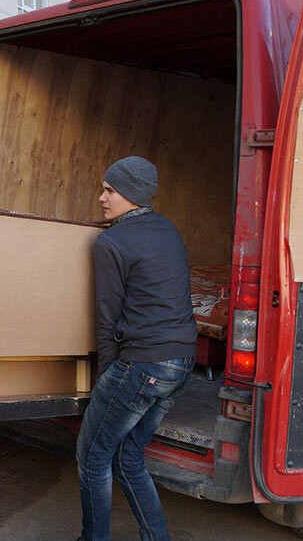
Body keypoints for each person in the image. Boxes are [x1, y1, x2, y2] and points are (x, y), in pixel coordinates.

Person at [77, 156, 197, 541]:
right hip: (181, 363)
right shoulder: (168, 229)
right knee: (128, 457)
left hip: (142, 365)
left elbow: (108, 322)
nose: (101, 197)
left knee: (92, 456)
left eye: (109, 190)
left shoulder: (109, 242)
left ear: (130, 194)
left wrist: (103, 382)